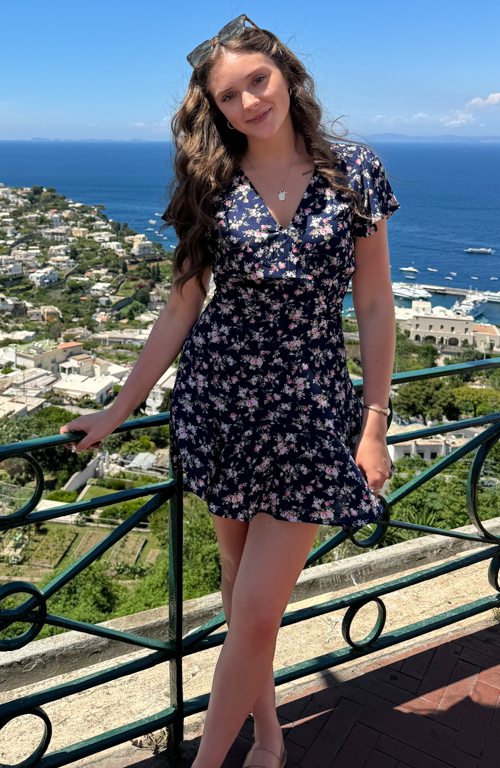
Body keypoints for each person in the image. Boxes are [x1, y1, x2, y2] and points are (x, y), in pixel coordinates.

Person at [60, 14, 400, 768]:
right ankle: (270, 739)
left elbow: (375, 304)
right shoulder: (210, 182)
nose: (249, 101)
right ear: (214, 110)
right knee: (244, 599)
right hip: (219, 404)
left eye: (258, 80)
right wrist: (119, 409)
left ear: (287, 75)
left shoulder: (355, 171)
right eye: (229, 95)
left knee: (251, 614)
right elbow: (183, 305)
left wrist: (373, 422)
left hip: (311, 414)